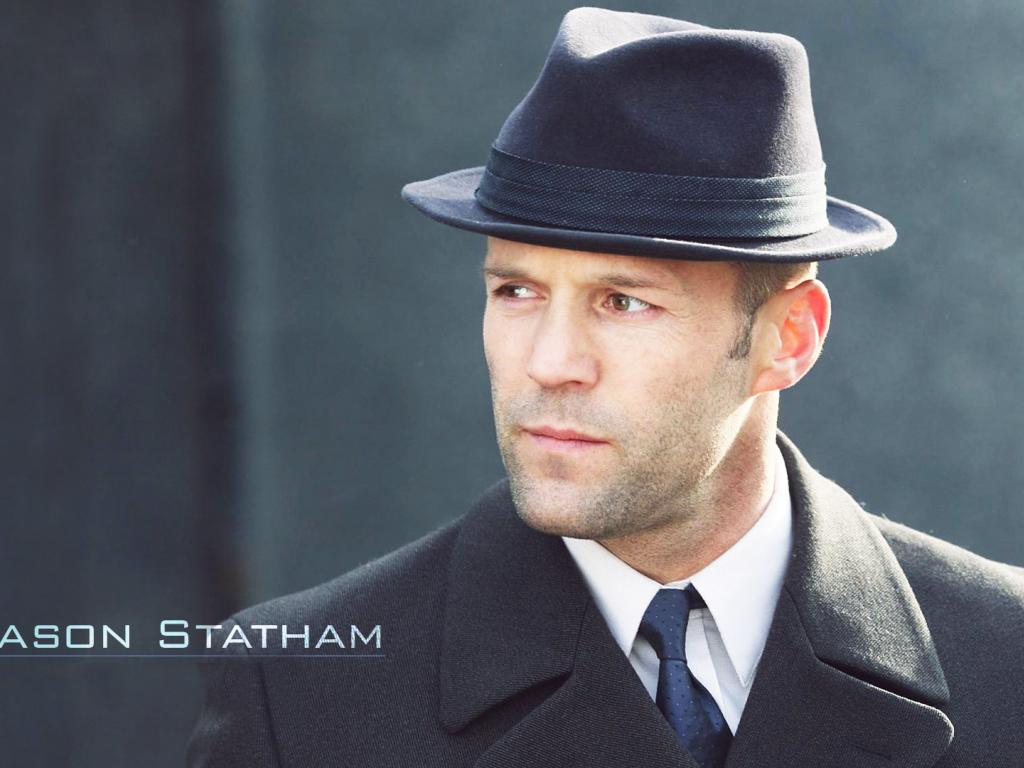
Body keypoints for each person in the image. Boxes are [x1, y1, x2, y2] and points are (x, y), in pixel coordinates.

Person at [186, 8, 1024, 767]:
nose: (550, 362)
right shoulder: (298, 697)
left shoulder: (1006, 660)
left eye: (623, 301)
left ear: (788, 338)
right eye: (516, 289)